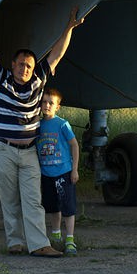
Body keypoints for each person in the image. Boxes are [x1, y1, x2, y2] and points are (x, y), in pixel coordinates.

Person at [0, 7, 84, 257]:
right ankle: (15, 242)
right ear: (13, 65)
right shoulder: (1, 78)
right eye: (20, 64)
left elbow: (57, 54)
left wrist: (68, 28)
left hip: (29, 152)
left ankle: (39, 245)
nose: (24, 69)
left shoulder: (39, 80)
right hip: (3, 148)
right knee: (9, 198)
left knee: (33, 199)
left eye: (28, 65)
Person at [37, 87, 80, 256]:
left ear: (57, 107)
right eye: (44, 102)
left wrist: (74, 169)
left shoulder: (62, 124)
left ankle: (70, 239)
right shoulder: (38, 125)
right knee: (53, 207)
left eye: (51, 103)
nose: (47, 105)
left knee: (68, 206)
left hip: (63, 172)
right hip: (46, 173)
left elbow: (74, 145)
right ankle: (56, 236)